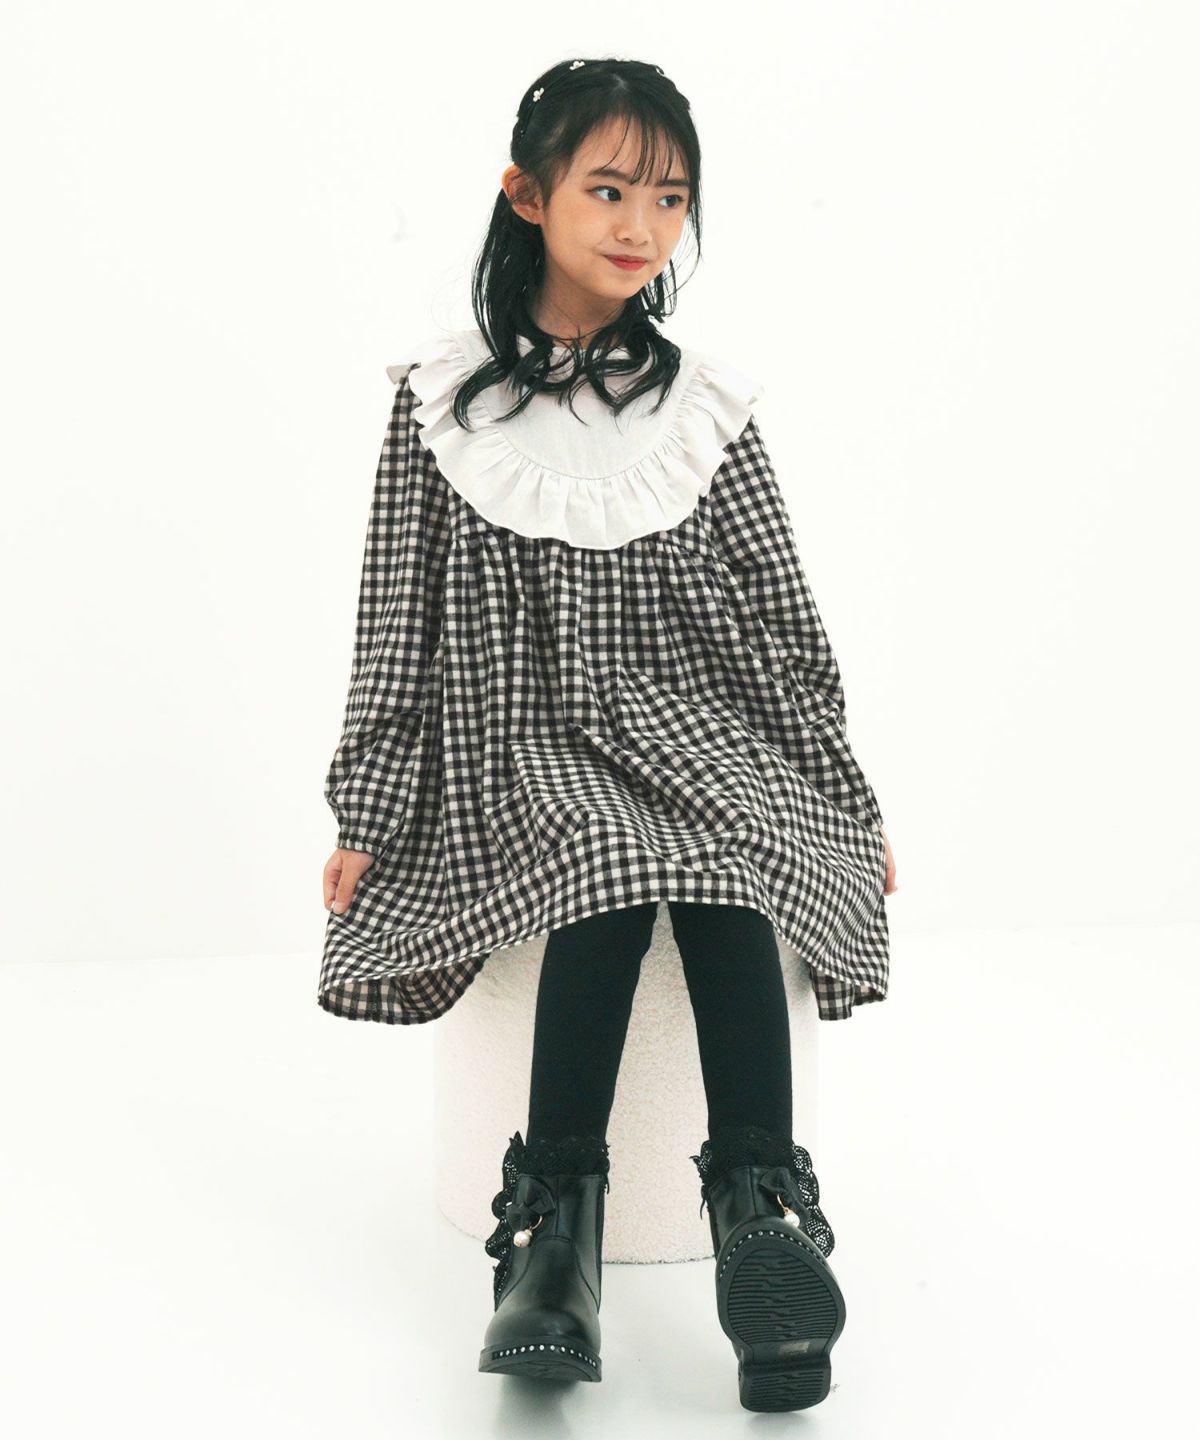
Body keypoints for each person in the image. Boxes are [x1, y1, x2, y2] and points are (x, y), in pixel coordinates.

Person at [319, 57, 898, 1413]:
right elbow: (395, 620)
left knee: (730, 855)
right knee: (603, 855)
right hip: (525, 741)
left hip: (704, 726)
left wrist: (841, 793)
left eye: (672, 197)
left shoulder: (702, 410)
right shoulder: (444, 405)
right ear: (528, 196)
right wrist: (371, 806)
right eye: (611, 188)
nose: (644, 224)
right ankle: (553, 1239)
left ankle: (762, 1214)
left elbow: (781, 620)